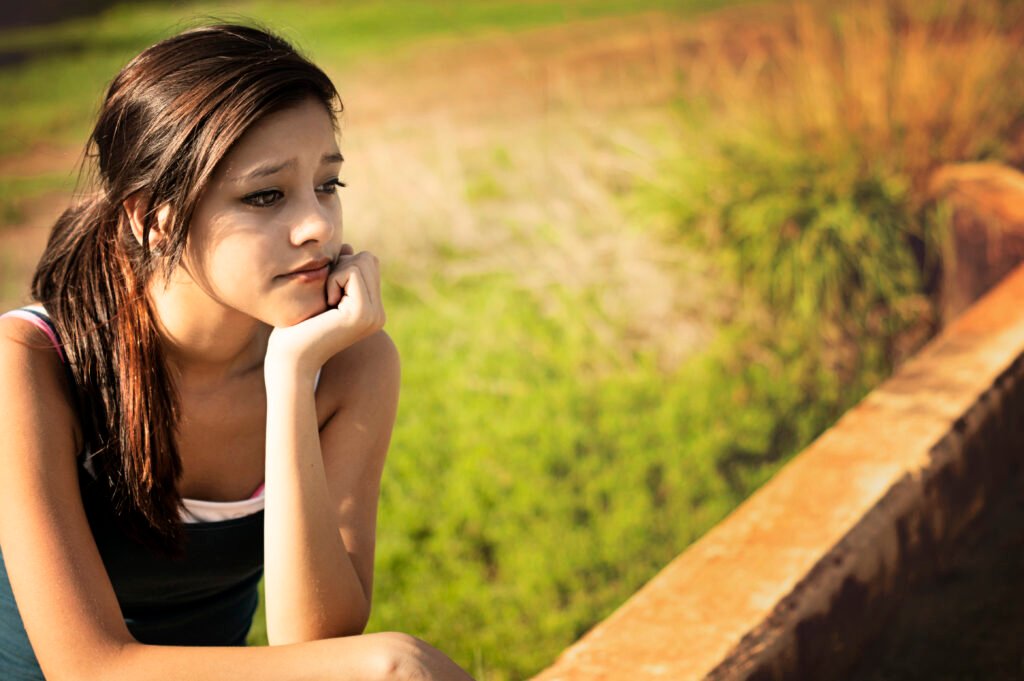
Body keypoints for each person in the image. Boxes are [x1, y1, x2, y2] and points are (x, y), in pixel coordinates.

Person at [0, 23, 474, 681]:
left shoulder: (348, 365)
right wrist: (385, 661)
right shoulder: (30, 362)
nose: (317, 225)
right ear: (152, 218)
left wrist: (290, 379)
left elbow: (310, 643)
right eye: (266, 195)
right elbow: (87, 668)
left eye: (328, 184)